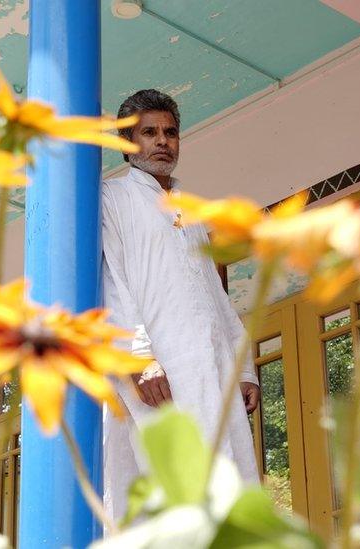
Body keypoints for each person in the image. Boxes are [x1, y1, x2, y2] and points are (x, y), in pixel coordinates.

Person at [100, 89, 261, 520]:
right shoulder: (112, 200)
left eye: (170, 133)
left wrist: (243, 368)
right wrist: (141, 358)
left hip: (211, 364)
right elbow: (112, 281)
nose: (162, 141)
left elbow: (215, 295)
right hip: (158, 371)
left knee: (228, 481)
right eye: (148, 132)